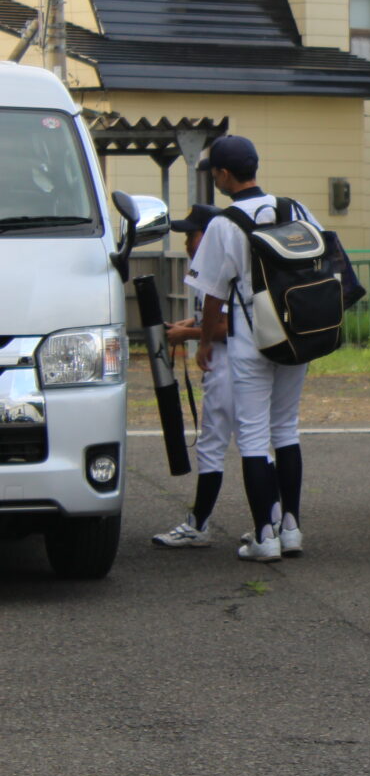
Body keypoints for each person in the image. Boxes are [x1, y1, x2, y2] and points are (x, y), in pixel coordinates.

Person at [188, 135, 314, 563]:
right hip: (296, 336)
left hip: (250, 343)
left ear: (224, 174)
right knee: (287, 430)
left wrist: (205, 342)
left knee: (255, 438)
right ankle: (291, 527)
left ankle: (265, 536)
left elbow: (211, 295)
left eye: (216, 174)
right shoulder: (294, 208)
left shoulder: (225, 224)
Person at [151, 205, 233, 549]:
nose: (187, 243)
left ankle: (198, 525)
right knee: (254, 444)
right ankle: (272, 524)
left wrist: (189, 337)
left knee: (214, 447)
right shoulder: (210, 270)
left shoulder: (219, 271)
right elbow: (211, 319)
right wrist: (189, 325)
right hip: (233, 369)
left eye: (192, 235)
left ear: (210, 235)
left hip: (228, 368)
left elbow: (229, 327)